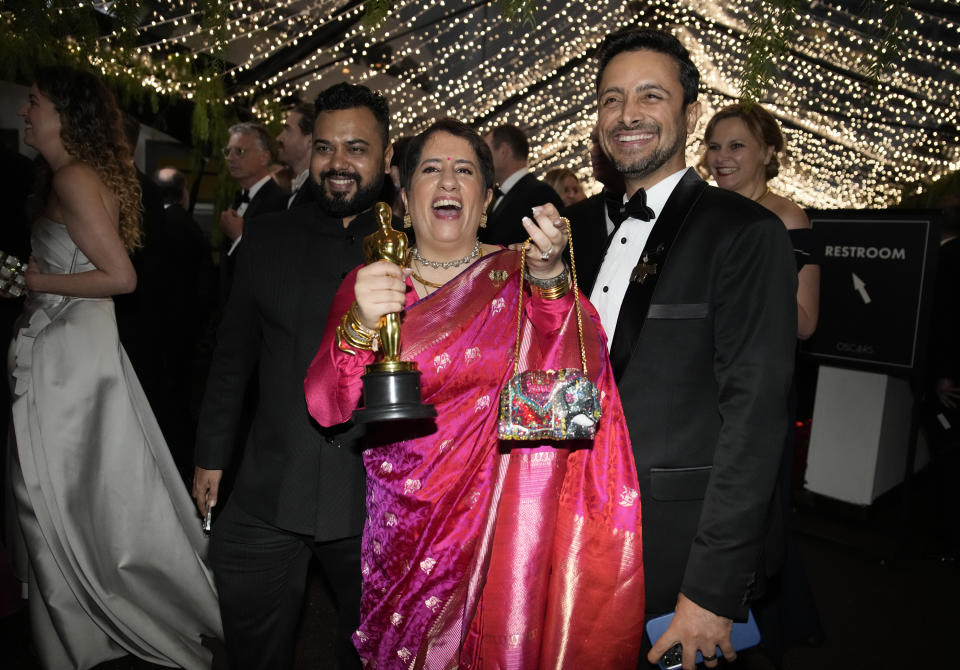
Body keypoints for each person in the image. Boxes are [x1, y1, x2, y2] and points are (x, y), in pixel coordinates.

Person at [304, 118, 644, 668]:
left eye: (464, 171)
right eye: (431, 169)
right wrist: (362, 324)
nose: (446, 182)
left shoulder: (519, 270)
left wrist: (552, 275)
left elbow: (579, 357)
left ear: (485, 200)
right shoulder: (372, 279)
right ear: (405, 192)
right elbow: (325, 404)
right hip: (403, 530)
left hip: (506, 521)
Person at [587, 30, 797, 670]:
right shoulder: (570, 234)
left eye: (651, 95)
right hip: (579, 536)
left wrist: (712, 590)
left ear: (689, 113)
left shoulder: (746, 235)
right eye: (611, 99)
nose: (627, 115)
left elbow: (755, 422)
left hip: (678, 553)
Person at [6, 65, 221, 670]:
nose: (25, 112)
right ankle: (78, 616)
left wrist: (34, 281)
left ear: (65, 114)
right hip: (67, 346)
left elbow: (120, 277)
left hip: (74, 355)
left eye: (36, 102)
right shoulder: (59, 177)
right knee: (73, 493)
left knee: (52, 493)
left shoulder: (73, 177)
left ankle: (87, 622)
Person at [191, 82, 396, 670]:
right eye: (327, 147)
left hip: (371, 498)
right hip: (267, 485)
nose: (338, 164)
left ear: (385, 158)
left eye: (357, 149)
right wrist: (211, 454)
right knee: (252, 645)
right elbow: (233, 354)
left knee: (368, 650)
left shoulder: (414, 246)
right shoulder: (268, 236)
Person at [701, 103, 819, 339]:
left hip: (747, 363)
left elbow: (805, 325)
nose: (721, 157)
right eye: (714, 147)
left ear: (767, 153)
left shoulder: (786, 218)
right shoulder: (702, 212)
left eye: (736, 146)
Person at [562, 125, 626, 295]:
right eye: (594, 142)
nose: (595, 151)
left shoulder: (664, 209)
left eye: (605, 141)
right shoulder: (570, 220)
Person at [480, 123, 563, 245]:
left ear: (503, 151)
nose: (482, 159)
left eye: (486, 152)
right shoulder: (498, 194)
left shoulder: (540, 194)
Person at [276, 102, 317, 209]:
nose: (279, 138)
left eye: (287, 130)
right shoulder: (302, 187)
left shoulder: (316, 194)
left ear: (310, 141)